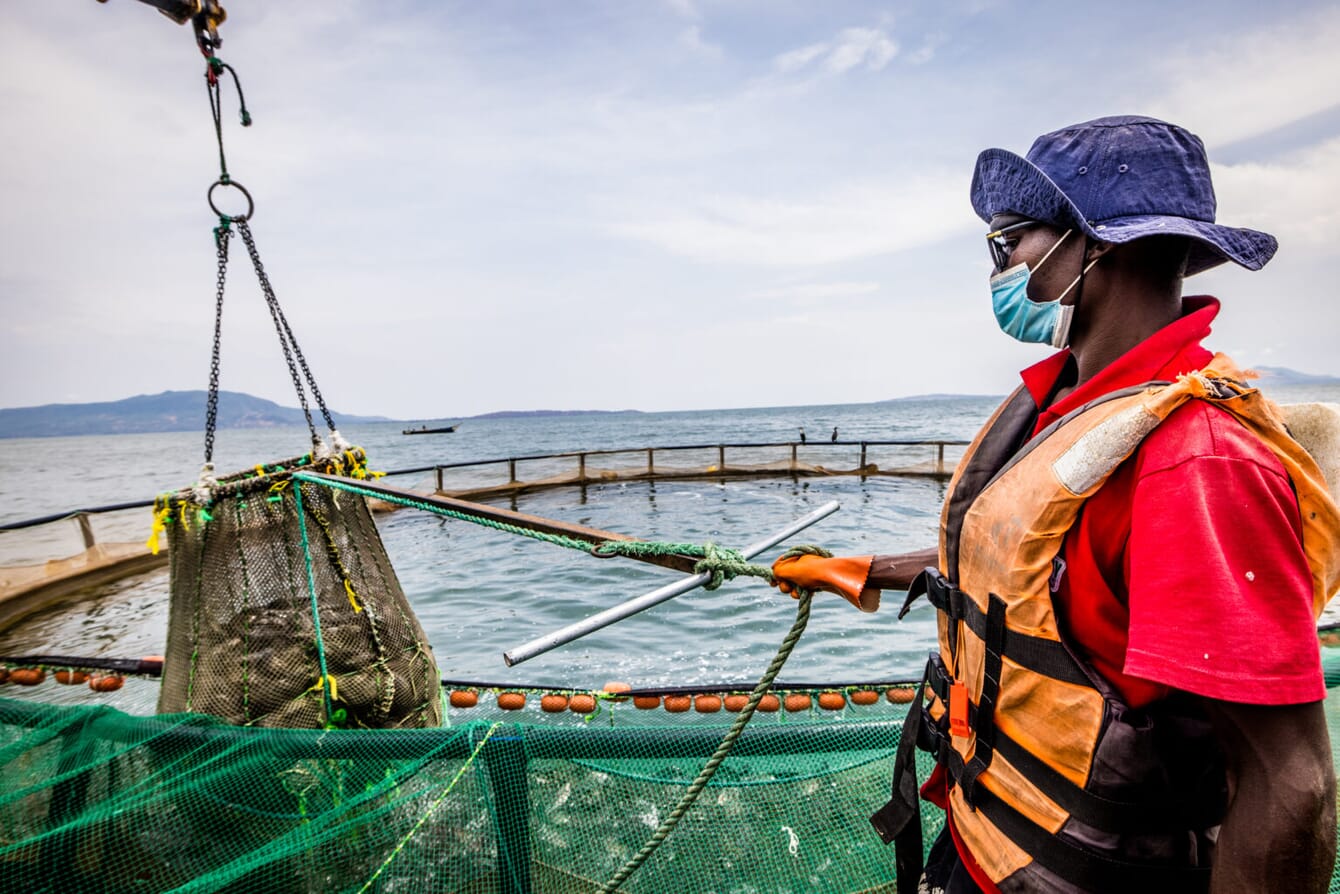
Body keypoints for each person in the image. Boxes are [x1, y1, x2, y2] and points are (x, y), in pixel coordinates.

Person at [771, 116, 1340, 893]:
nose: (1003, 265)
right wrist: (868, 569)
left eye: (1010, 241)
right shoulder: (1060, 405)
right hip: (987, 838)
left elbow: (1290, 783)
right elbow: (1038, 571)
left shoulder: (1194, 466)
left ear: (1095, 247)